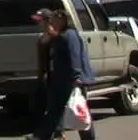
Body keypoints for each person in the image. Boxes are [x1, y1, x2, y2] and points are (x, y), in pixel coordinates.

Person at [31, 9, 96, 140]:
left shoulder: (70, 35)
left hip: (70, 81)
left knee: (78, 111)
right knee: (58, 111)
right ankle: (43, 136)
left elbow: (75, 57)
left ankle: (41, 136)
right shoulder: (58, 36)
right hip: (60, 81)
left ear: (62, 19)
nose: (52, 22)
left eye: (54, 19)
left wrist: (77, 78)